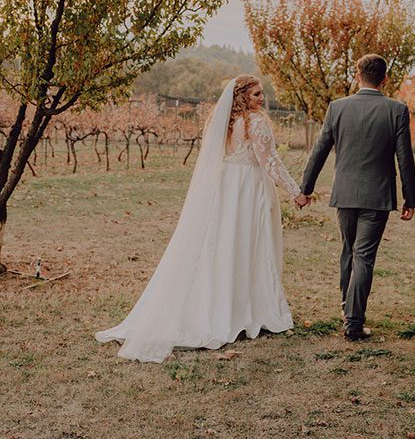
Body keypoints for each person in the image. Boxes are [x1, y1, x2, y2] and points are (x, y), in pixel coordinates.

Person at [96, 76, 308, 362]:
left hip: (226, 190)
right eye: (256, 94)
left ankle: (228, 305)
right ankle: (249, 310)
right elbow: (269, 161)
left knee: (224, 247)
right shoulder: (256, 123)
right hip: (248, 190)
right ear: (243, 96)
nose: (261, 98)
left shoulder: (222, 123)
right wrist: (296, 191)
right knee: (250, 247)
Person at [298, 54, 415, 341]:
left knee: (348, 251)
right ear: (385, 79)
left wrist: (306, 189)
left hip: (346, 193)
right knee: (363, 256)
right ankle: (353, 322)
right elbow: (405, 159)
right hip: (377, 196)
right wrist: (409, 198)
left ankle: (347, 309)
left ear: (357, 74)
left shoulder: (337, 108)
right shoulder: (396, 110)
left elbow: (319, 151)